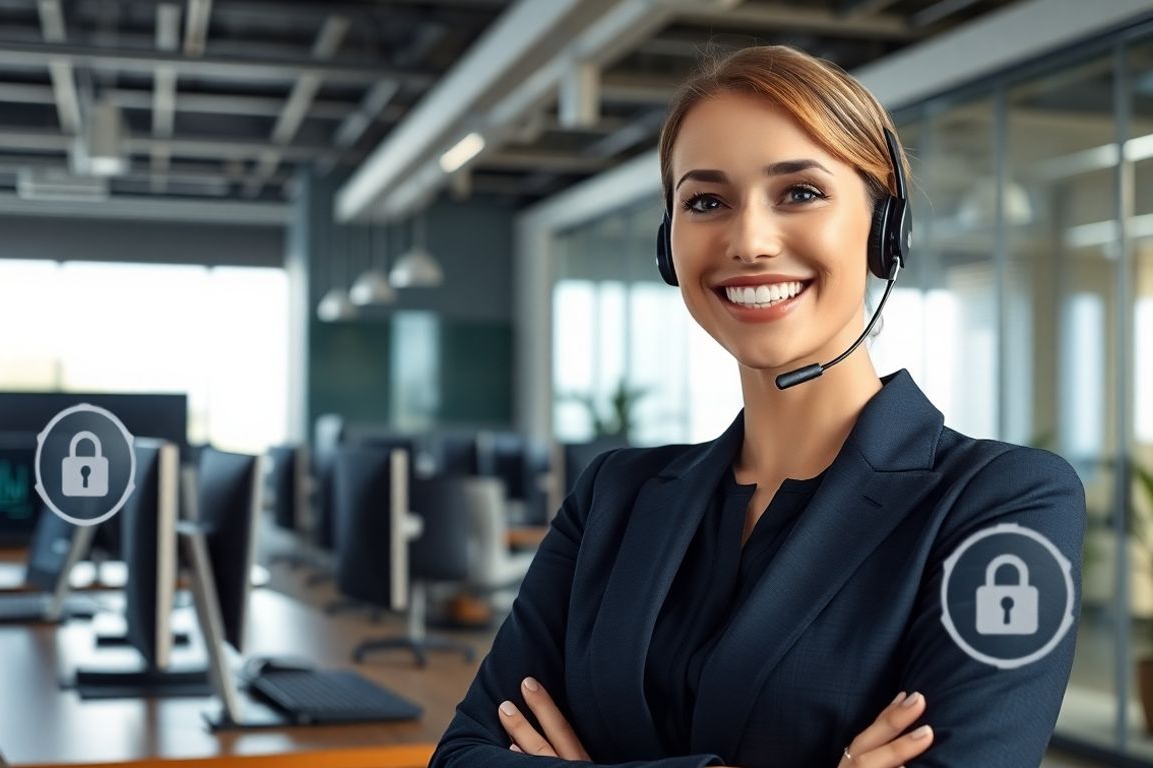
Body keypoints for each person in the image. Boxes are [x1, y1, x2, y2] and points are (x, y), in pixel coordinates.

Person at [428, 44, 1086, 768]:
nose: (749, 241)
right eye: (706, 202)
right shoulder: (611, 498)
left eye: (799, 192)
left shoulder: (1005, 507)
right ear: (667, 246)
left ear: (883, 225)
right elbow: (462, 756)